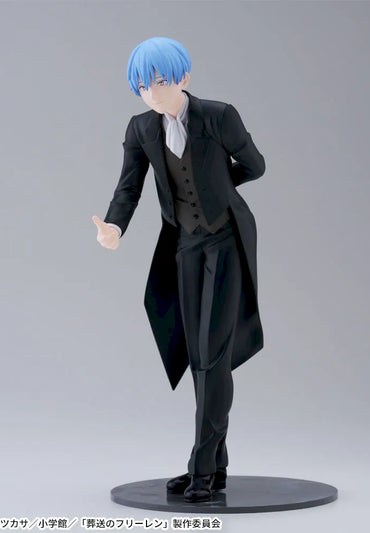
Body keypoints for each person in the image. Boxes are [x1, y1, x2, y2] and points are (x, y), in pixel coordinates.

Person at [92, 36, 265, 502]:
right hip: (185, 246)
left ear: (183, 77)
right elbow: (128, 187)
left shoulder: (219, 116)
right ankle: (216, 465)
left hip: (225, 241)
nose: (152, 94)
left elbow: (255, 164)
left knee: (212, 354)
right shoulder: (141, 128)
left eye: (160, 82)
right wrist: (114, 227)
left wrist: (219, 188)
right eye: (143, 87)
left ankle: (202, 469)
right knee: (197, 354)